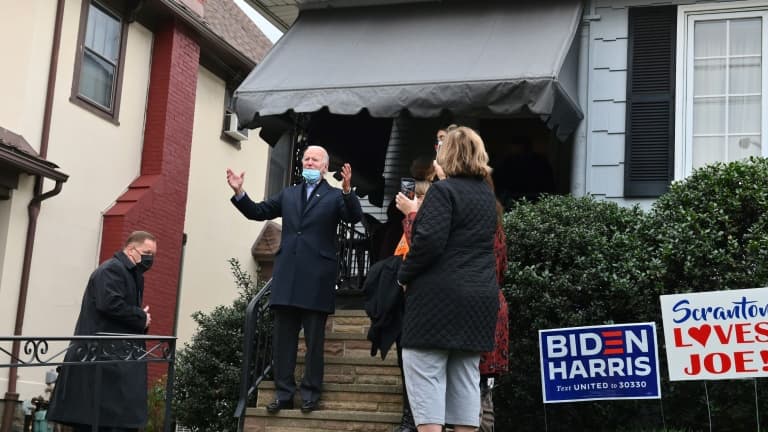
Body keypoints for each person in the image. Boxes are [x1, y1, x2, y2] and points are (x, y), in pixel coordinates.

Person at [226, 145, 363, 414]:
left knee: (314, 343)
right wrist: (239, 192)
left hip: (317, 278)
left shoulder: (335, 196)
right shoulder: (289, 194)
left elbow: (353, 216)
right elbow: (258, 211)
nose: (309, 163)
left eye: (315, 160)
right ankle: (284, 395)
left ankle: (311, 395)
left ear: (325, 167)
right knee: (283, 342)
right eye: (306, 159)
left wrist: (348, 191)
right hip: (287, 277)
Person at [395, 127, 499, 432]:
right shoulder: (485, 195)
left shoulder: (444, 191)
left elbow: (428, 243)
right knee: (465, 378)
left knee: (425, 374)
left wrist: (404, 275)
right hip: (479, 299)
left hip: (438, 300)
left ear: (447, 155)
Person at [47, 231, 157, 432]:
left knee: (111, 420)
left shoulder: (131, 274)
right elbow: (110, 304)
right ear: (131, 249)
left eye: (153, 254)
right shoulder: (112, 270)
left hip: (113, 359)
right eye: (147, 252)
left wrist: (141, 319)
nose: (150, 258)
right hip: (100, 359)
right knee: (97, 420)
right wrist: (141, 317)